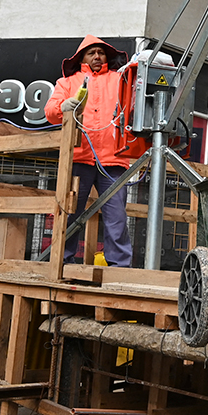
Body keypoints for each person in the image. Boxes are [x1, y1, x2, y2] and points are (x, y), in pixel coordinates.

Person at [46, 35, 135, 267]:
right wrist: (62, 106)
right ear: (82, 58)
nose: (97, 56)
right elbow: (50, 112)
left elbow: (136, 106)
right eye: (91, 52)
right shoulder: (67, 83)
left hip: (114, 161)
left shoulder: (120, 79)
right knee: (70, 212)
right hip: (79, 158)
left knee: (116, 218)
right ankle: (61, 263)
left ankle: (119, 269)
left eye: (101, 52)